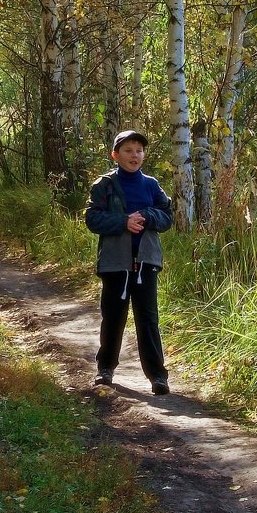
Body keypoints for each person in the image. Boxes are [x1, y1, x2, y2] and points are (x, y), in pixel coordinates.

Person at [84, 129, 173, 395]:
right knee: (113, 317)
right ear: (115, 155)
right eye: (128, 150)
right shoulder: (104, 185)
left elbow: (167, 217)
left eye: (139, 150)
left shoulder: (152, 185)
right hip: (115, 263)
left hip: (146, 262)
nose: (135, 155)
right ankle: (105, 369)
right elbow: (93, 219)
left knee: (148, 319)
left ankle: (158, 376)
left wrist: (146, 216)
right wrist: (123, 222)